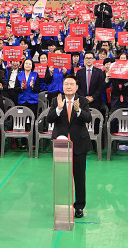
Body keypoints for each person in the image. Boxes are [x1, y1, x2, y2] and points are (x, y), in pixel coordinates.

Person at [47, 75, 92, 218]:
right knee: (61, 176)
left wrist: (78, 110)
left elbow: (88, 118)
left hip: (79, 144)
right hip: (61, 146)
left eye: (71, 84)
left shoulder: (83, 101)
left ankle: (79, 206)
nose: (68, 86)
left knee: (79, 178)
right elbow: (49, 119)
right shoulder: (56, 100)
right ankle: (62, 204)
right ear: (62, 86)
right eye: (66, 84)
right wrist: (59, 109)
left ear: (77, 87)